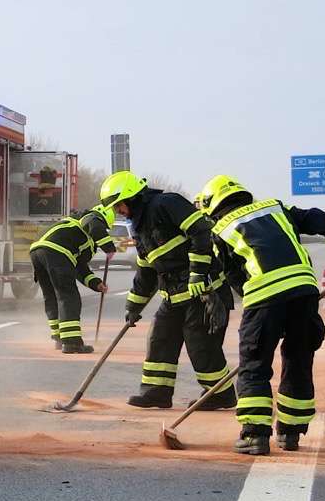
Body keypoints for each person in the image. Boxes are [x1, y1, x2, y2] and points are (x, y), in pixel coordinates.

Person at [197, 176, 325, 455]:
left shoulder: (221, 229)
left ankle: (255, 435)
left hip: (263, 296)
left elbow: (232, 275)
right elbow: (321, 220)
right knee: (298, 359)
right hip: (304, 291)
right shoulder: (276, 208)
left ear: (212, 206)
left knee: (254, 365)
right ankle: (290, 434)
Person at [98, 171, 235, 411]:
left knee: (200, 345)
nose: (117, 211)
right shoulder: (139, 229)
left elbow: (201, 232)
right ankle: (156, 392)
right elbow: (146, 272)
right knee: (160, 338)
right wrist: (133, 306)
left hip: (204, 292)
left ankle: (221, 393)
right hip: (173, 297)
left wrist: (197, 273)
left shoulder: (167, 203)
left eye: (118, 205)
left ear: (131, 197)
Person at [29, 207, 113, 354]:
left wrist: (96, 283)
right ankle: (72, 343)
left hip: (37, 252)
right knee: (68, 296)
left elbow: (79, 268)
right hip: (57, 251)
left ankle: (59, 338)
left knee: (52, 296)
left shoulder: (73, 229)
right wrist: (109, 247)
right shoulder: (89, 218)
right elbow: (94, 224)